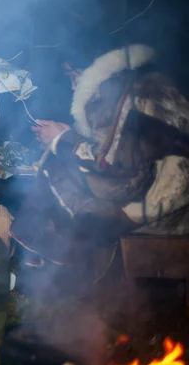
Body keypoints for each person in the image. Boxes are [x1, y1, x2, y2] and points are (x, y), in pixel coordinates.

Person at [11, 45, 189, 295]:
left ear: (93, 68)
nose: (74, 88)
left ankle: (59, 286)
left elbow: (117, 173)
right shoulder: (145, 82)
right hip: (170, 206)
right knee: (61, 166)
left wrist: (63, 139)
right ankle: (46, 280)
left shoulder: (124, 94)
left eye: (75, 78)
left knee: (57, 173)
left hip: (157, 214)